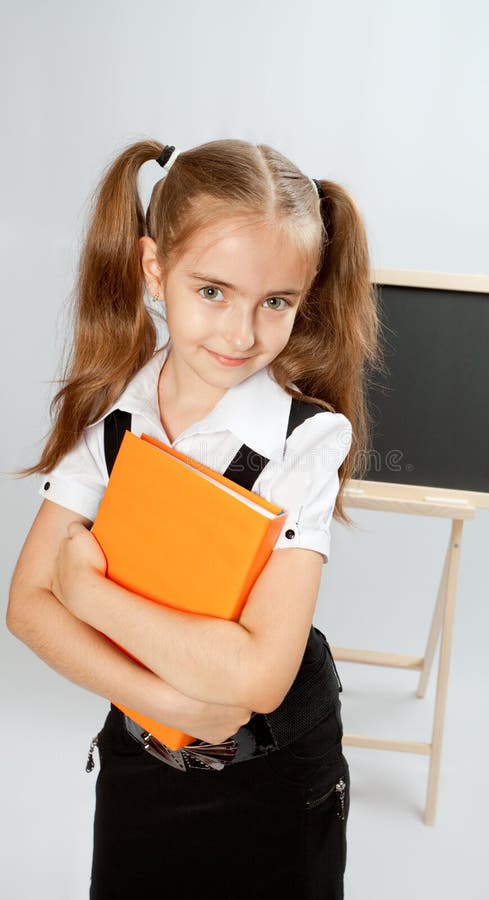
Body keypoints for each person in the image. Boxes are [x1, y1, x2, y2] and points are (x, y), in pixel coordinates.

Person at [6, 138, 382, 899]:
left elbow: (258, 678)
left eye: (275, 302)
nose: (241, 335)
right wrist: (172, 703)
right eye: (212, 291)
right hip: (143, 755)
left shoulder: (306, 440)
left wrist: (87, 594)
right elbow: (24, 608)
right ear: (154, 269)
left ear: (303, 295)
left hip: (276, 778)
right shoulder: (116, 419)